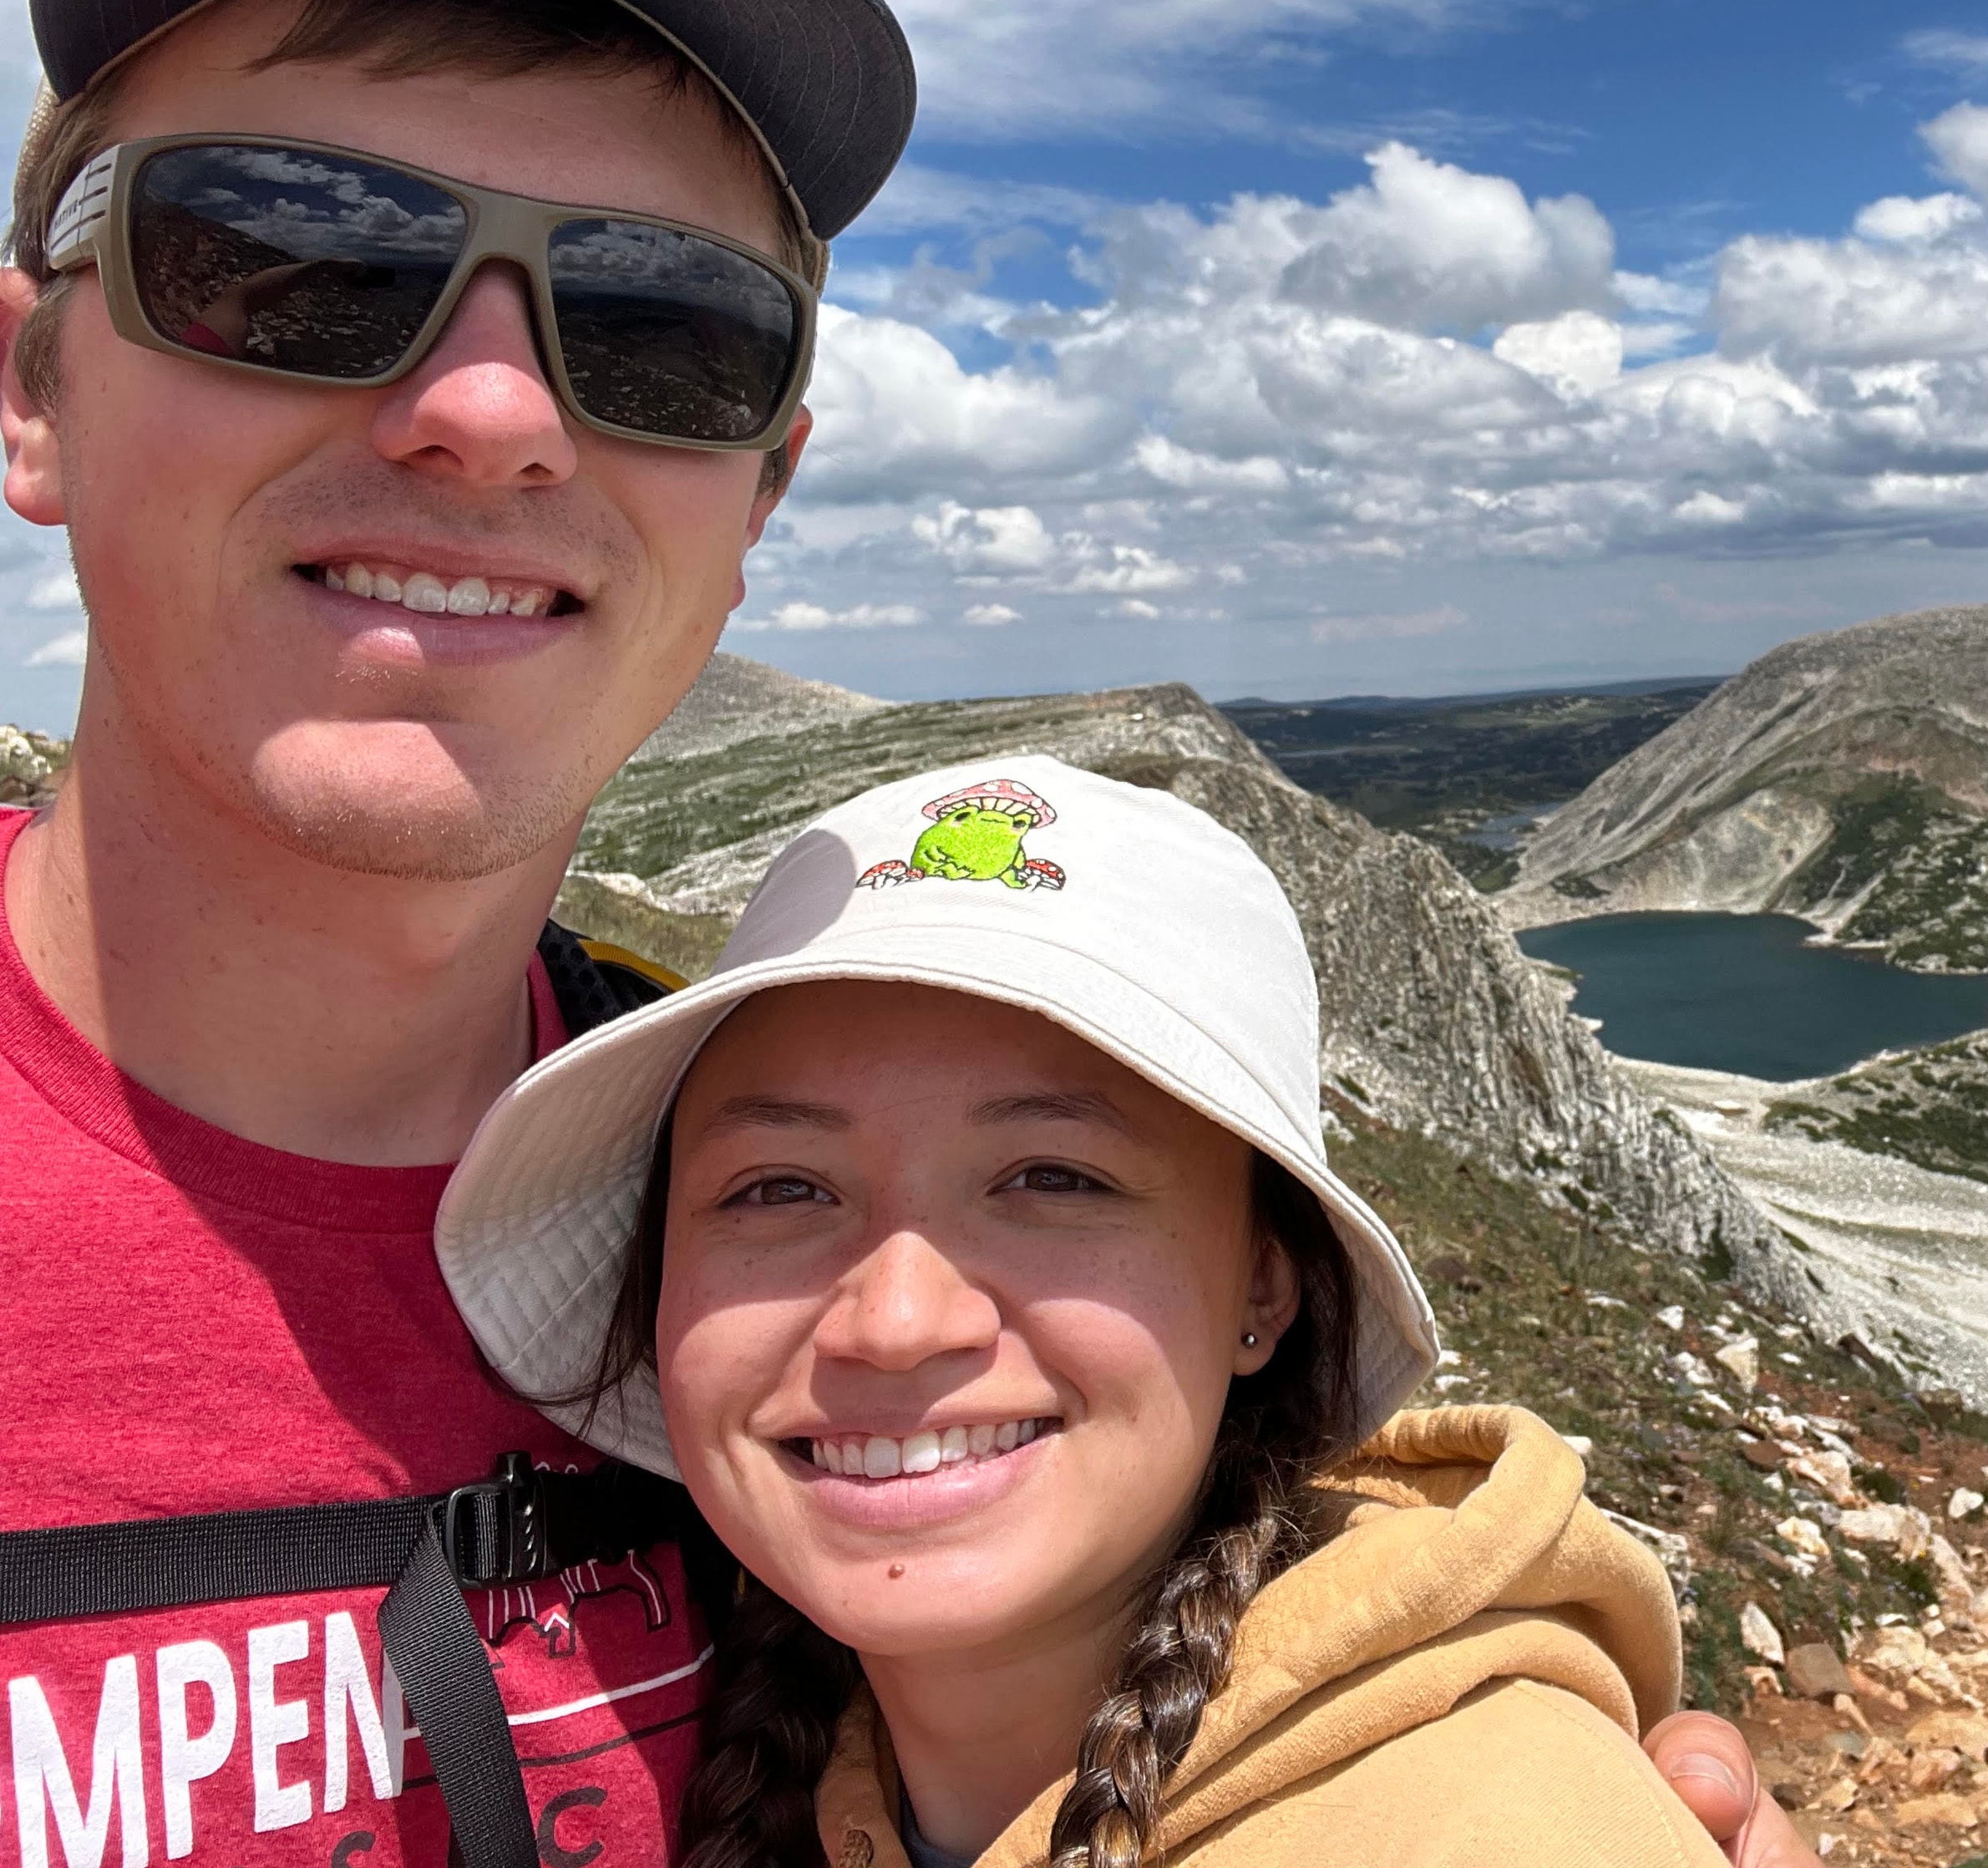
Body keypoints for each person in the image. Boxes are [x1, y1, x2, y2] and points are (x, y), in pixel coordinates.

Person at [0, 0, 1810, 1868]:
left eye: (661, 332)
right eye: (298, 256)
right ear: (37, 385)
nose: (488, 413)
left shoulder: (778, 1216)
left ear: (753, 504)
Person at [438, 754, 1730, 1868]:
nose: (893, 1321)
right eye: (780, 1188)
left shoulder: (1502, 1825)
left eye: (1055, 1178)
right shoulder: (785, 1748)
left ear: (1263, 1287)